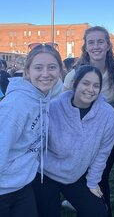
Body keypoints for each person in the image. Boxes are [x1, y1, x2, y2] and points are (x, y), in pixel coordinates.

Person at [33, 65, 114, 217]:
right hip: (46, 174)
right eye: (85, 83)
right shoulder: (53, 108)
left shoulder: (107, 114)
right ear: (74, 84)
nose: (90, 89)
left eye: (96, 85)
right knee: (47, 213)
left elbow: (103, 152)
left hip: (75, 175)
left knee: (97, 212)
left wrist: (92, 181)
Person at [63, 26, 114, 216]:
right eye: (91, 42)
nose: (96, 46)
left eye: (100, 41)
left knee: (101, 178)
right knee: (82, 179)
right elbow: (63, 106)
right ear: (86, 47)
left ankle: (103, 211)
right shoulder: (75, 73)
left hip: (107, 135)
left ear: (108, 45)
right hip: (79, 136)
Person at [0, 44, 62, 217]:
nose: (45, 74)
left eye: (52, 67)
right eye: (38, 68)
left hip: (22, 185)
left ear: (59, 70)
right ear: (27, 72)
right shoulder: (15, 105)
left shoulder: (42, 96)